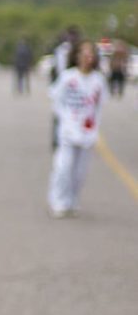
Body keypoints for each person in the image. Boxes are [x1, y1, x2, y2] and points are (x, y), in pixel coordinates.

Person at [47, 39, 107, 218]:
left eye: (91, 54)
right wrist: (66, 120)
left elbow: (100, 107)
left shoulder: (99, 81)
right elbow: (56, 101)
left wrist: (94, 129)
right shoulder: (68, 77)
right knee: (63, 167)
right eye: (84, 53)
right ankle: (58, 201)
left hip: (87, 132)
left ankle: (72, 200)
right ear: (77, 56)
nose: (87, 57)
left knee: (80, 172)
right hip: (67, 130)